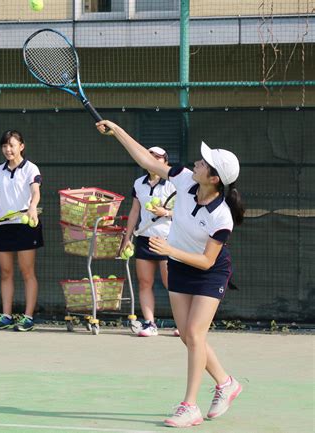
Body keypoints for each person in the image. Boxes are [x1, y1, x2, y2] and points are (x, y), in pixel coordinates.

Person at [97, 120, 244, 428]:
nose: (197, 162)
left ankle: (189, 406)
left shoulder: (221, 216)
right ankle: (226, 382)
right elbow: (147, 160)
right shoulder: (186, 180)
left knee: (194, 334)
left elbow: (206, 262)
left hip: (208, 272)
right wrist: (118, 131)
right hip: (178, 264)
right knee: (188, 338)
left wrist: (169, 250)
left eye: (204, 163)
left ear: (214, 178)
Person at [0, 130, 43, 332]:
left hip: (26, 225)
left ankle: (28, 318)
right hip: (4, 226)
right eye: (4, 146)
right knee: (6, 272)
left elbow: (35, 192)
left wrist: (32, 207)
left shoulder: (30, 169)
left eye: (11, 145)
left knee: (27, 271)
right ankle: (7, 316)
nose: (8, 149)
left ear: (21, 146)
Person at [121, 146, 179, 337]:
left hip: (168, 239)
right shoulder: (139, 183)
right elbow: (135, 211)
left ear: (165, 161)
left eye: (157, 157)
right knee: (145, 283)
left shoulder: (174, 183)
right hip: (145, 239)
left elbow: (185, 212)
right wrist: (127, 237)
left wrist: (166, 213)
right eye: (149, 156)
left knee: (172, 283)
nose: (152, 160)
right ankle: (150, 323)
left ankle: (182, 323)